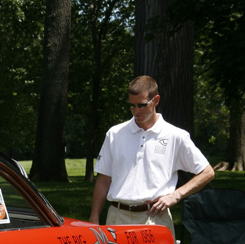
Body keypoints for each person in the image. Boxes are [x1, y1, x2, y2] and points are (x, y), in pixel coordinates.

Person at [88, 75, 215, 232]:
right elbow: (104, 179)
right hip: (117, 218)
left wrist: (176, 195)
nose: (136, 111)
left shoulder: (175, 135)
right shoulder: (114, 134)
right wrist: (94, 218)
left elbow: (207, 172)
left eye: (141, 105)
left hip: (155, 219)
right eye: (132, 106)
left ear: (156, 100)